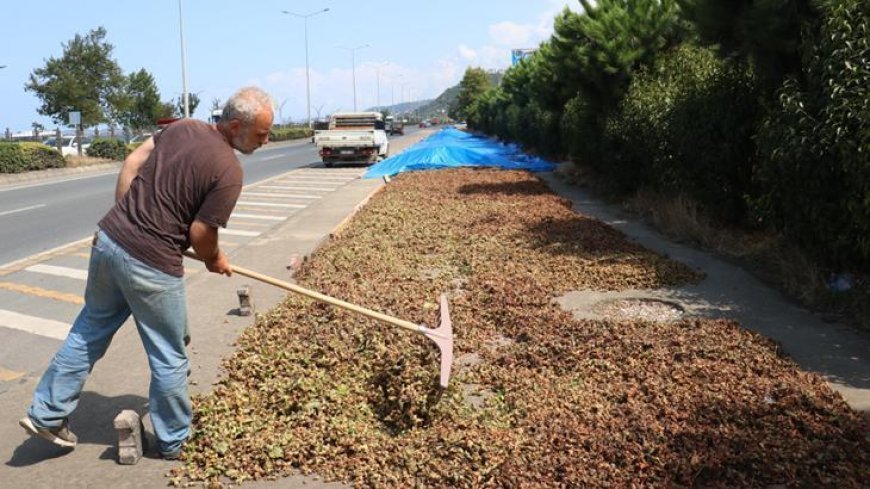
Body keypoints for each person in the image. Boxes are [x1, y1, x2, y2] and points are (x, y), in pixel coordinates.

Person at [19, 86, 274, 459]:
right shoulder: (229, 170)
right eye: (262, 134)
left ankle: (46, 414)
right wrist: (214, 259)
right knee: (169, 354)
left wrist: (128, 222)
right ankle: (174, 440)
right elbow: (201, 235)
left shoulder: (184, 126)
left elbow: (133, 161)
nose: (266, 142)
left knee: (89, 329)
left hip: (108, 241)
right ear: (236, 126)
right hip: (151, 264)